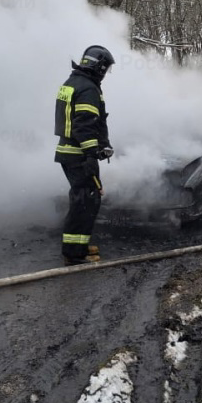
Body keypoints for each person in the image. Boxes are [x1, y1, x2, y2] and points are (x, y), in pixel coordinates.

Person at [54, 45, 115, 265]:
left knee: (84, 199)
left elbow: (87, 122)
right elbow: (84, 125)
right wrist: (91, 154)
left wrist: (103, 144)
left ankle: (77, 247)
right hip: (79, 155)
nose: (105, 74)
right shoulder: (88, 89)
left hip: (69, 153)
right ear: (98, 66)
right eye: (105, 69)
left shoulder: (73, 83)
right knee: (85, 201)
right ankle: (74, 254)